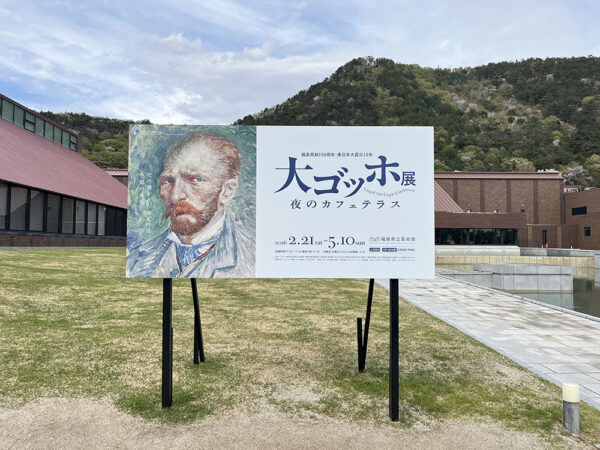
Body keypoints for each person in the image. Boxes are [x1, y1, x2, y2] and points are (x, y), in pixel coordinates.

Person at [127, 132, 255, 278]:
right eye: (168, 180)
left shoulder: (252, 255)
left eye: (196, 180)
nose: (175, 197)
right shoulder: (137, 258)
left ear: (227, 190)